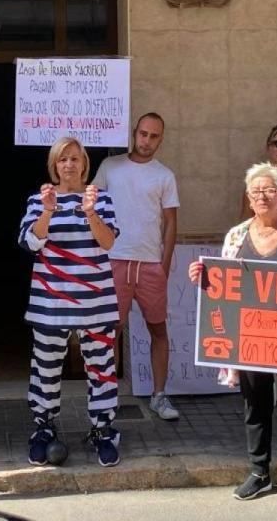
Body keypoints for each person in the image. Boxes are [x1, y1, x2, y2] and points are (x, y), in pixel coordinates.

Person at [190, 162, 277, 512]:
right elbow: (223, 286)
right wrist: (203, 275)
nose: (262, 197)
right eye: (256, 192)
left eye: (269, 190)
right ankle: (259, 470)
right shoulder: (236, 235)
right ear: (248, 199)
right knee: (254, 405)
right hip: (249, 337)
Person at [20, 136, 121, 468]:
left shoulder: (101, 199)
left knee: (101, 369)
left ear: (84, 164)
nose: (69, 164)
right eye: (63, 159)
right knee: (46, 369)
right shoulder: (38, 200)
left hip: (96, 301)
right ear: (54, 165)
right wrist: (48, 211)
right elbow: (32, 243)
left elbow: (107, 242)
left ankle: (104, 431)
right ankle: (43, 428)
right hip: (50, 302)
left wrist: (91, 213)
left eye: (75, 158)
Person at [91, 112, 180, 421]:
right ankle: (109, 396)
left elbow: (171, 223)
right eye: (143, 134)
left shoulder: (164, 175)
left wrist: (164, 264)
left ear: (161, 139)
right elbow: (93, 211)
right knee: (109, 331)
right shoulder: (109, 166)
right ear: (134, 133)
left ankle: (159, 395)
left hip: (149, 264)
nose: (147, 140)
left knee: (158, 329)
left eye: (154, 136)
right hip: (114, 259)